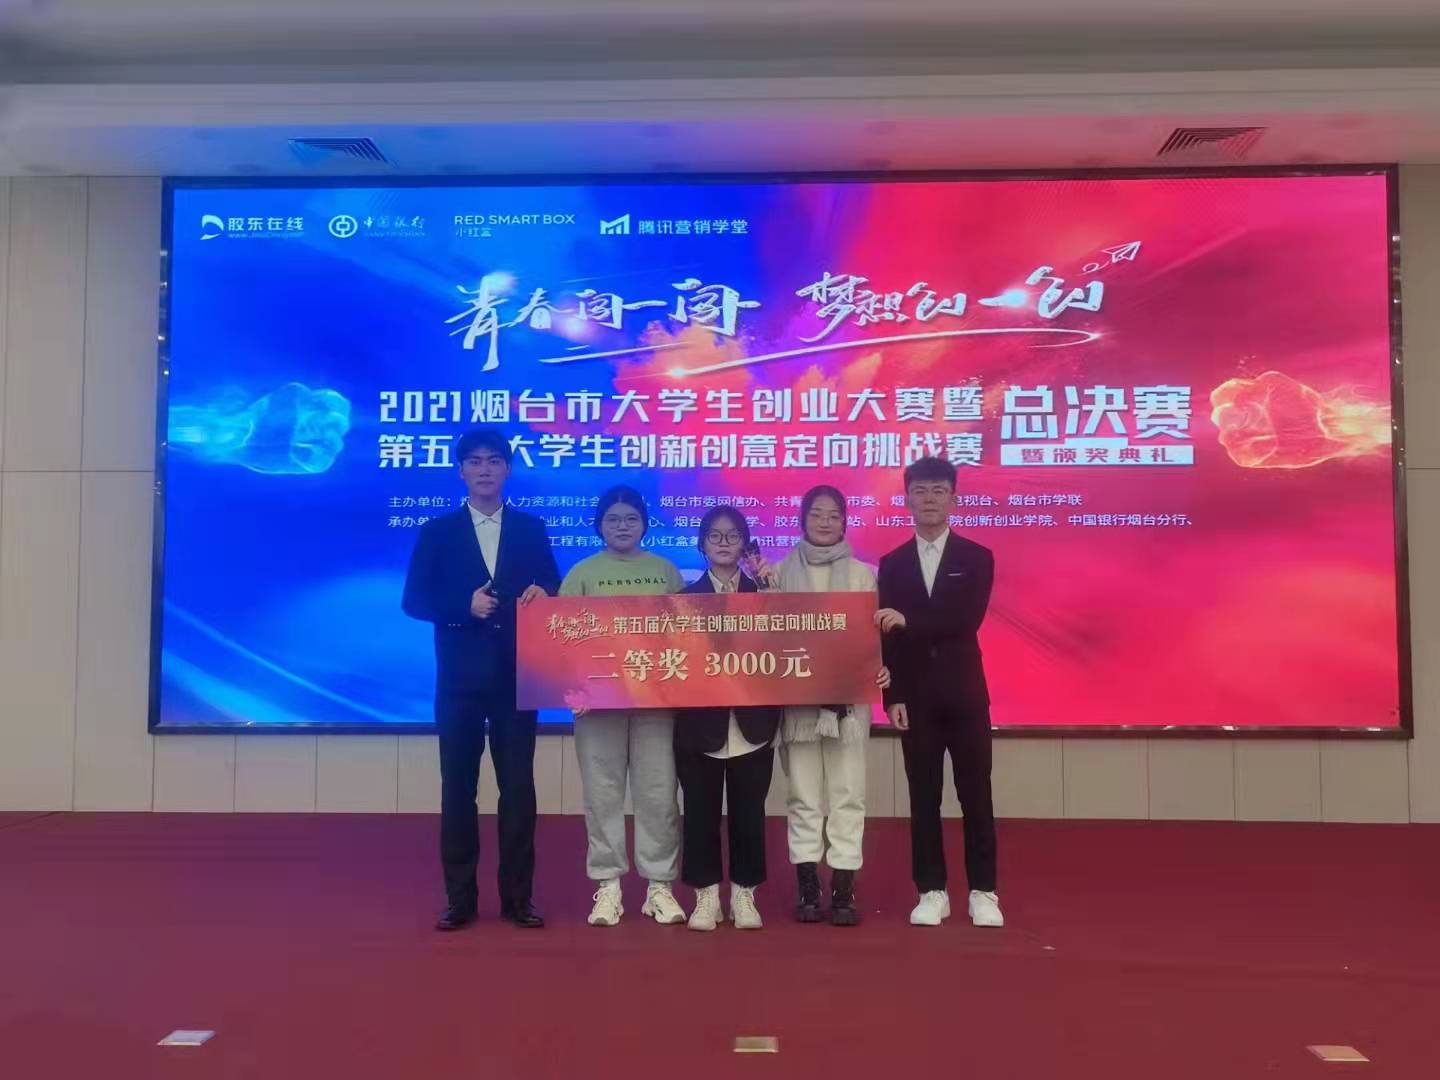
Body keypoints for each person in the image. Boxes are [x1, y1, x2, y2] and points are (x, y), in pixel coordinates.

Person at [402, 428, 560, 932]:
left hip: (517, 677)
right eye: (474, 461)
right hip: (459, 681)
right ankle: (460, 899)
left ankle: (518, 899)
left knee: (518, 791)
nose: (485, 469)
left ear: (508, 469)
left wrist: (544, 592)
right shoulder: (437, 531)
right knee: (458, 790)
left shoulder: (531, 529)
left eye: (494, 460)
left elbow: (552, 583)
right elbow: (413, 601)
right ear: (461, 471)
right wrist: (461, 607)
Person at [875, 456, 1002, 929]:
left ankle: (983, 891)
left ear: (954, 499)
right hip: (916, 699)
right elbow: (886, 637)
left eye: (938, 490)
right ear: (907, 499)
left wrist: (909, 621)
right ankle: (931, 891)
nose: (928, 499)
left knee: (976, 794)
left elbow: (965, 621)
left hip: (965, 694)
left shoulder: (977, 557)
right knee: (923, 795)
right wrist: (893, 697)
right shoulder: (892, 564)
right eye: (920, 491)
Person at [560, 485, 687, 927]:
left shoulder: (665, 571)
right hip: (597, 706)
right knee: (602, 792)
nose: (622, 526)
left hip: (656, 701)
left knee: (658, 792)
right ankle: (608, 886)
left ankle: (659, 887)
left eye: (631, 518)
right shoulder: (581, 573)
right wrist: (570, 689)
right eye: (612, 519)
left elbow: (685, 635)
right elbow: (561, 639)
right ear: (599, 525)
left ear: (644, 524)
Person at [775, 484, 889, 926]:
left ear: (845, 521)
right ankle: (808, 886)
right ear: (802, 519)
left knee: (847, 794)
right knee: (803, 795)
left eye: (833, 515)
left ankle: (843, 887)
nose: (825, 522)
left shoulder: (864, 575)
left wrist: (883, 668)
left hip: (848, 704)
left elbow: (873, 639)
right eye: (816, 514)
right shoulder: (780, 574)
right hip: (799, 703)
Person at [674, 506, 781, 931]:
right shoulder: (682, 599)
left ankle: (743, 893)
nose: (723, 542)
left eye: (732, 535)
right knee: (699, 812)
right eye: (715, 535)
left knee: (749, 813)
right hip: (699, 727)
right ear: (702, 544)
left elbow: (791, 648)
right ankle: (705, 896)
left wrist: (773, 593)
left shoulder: (766, 595)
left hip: (754, 723)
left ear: (744, 544)